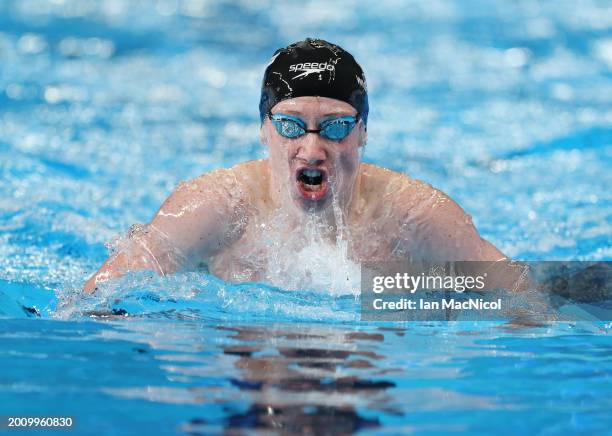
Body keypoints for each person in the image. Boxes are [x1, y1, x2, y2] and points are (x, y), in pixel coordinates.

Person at [84, 38, 507, 294]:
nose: (311, 148)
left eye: (335, 127)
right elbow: (106, 292)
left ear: (362, 133)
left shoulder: (411, 214)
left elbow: (523, 300)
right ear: (264, 130)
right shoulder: (217, 205)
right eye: (290, 125)